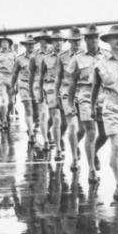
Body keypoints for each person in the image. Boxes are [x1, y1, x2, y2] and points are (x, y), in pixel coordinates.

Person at [91, 24, 118, 201]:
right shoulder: (101, 63)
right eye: (115, 37)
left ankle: (115, 164)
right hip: (110, 107)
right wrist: (93, 106)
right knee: (116, 145)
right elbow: (95, 87)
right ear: (108, 41)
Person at [68, 24, 107, 183]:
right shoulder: (77, 58)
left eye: (96, 37)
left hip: (104, 97)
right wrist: (70, 103)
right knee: (91, 132)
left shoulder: (106, 56)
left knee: (104, 135)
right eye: (90, 38)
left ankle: (93, 152)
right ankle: (91, 169)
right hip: (84, 96)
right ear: (85, 39)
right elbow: (72, 83)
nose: (94, 40)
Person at [56, 26, 83, 170]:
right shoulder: (63, 56)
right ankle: (74, 159)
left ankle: (75, 144)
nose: (76, 43)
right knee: (72, 126)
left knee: (83, 129)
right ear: (69, 41)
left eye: (79, 40)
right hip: (67, 93)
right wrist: (55, 96)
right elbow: (58, 77)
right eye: (74, 41)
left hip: (84, 93)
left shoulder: (86, 55)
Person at [39, 29, 65, 159]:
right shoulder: (46, 58)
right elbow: (40, 75)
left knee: (65, 122)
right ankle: (59, 149)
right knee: (56, 118)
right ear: (51, 43)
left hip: (66, 89)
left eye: (60, 40)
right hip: (51, 88)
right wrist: (40, 92)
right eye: (55, 41)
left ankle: (58, 136)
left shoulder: (70, 56)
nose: (58, 43)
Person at [11, 35, 37, 144]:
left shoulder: (39, 56)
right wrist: (12, 87)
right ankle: (31, 134)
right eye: (28, 44)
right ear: (25, 45)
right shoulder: (19, 58)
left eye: (32, 43)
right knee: (28, 108)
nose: (30, 45)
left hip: (37, 86)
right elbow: (14, 73)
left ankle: (34, 126)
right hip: (24, 85)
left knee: (37, 113)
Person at [29, 30, 51, 149]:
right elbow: (31, 74)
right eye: (43, 40)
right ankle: (46, 139)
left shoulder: (55, 54)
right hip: (39, 85)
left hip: (53, 85)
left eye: (47, 40)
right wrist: (31, 90)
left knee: (53, 115)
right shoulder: (35, 56)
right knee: (43, 113)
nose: (45, 42)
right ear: (40, 41)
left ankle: (45, 130)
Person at [0, 36, 16, 131]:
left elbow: (17, 68)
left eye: (6, 42)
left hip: (11, 77)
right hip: (1, 77)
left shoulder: (14, 54)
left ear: (9, 44)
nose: (4, 44)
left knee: (12, 102)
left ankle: (5, 113)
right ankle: (4, 121)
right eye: (2, 42)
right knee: (4, 100)